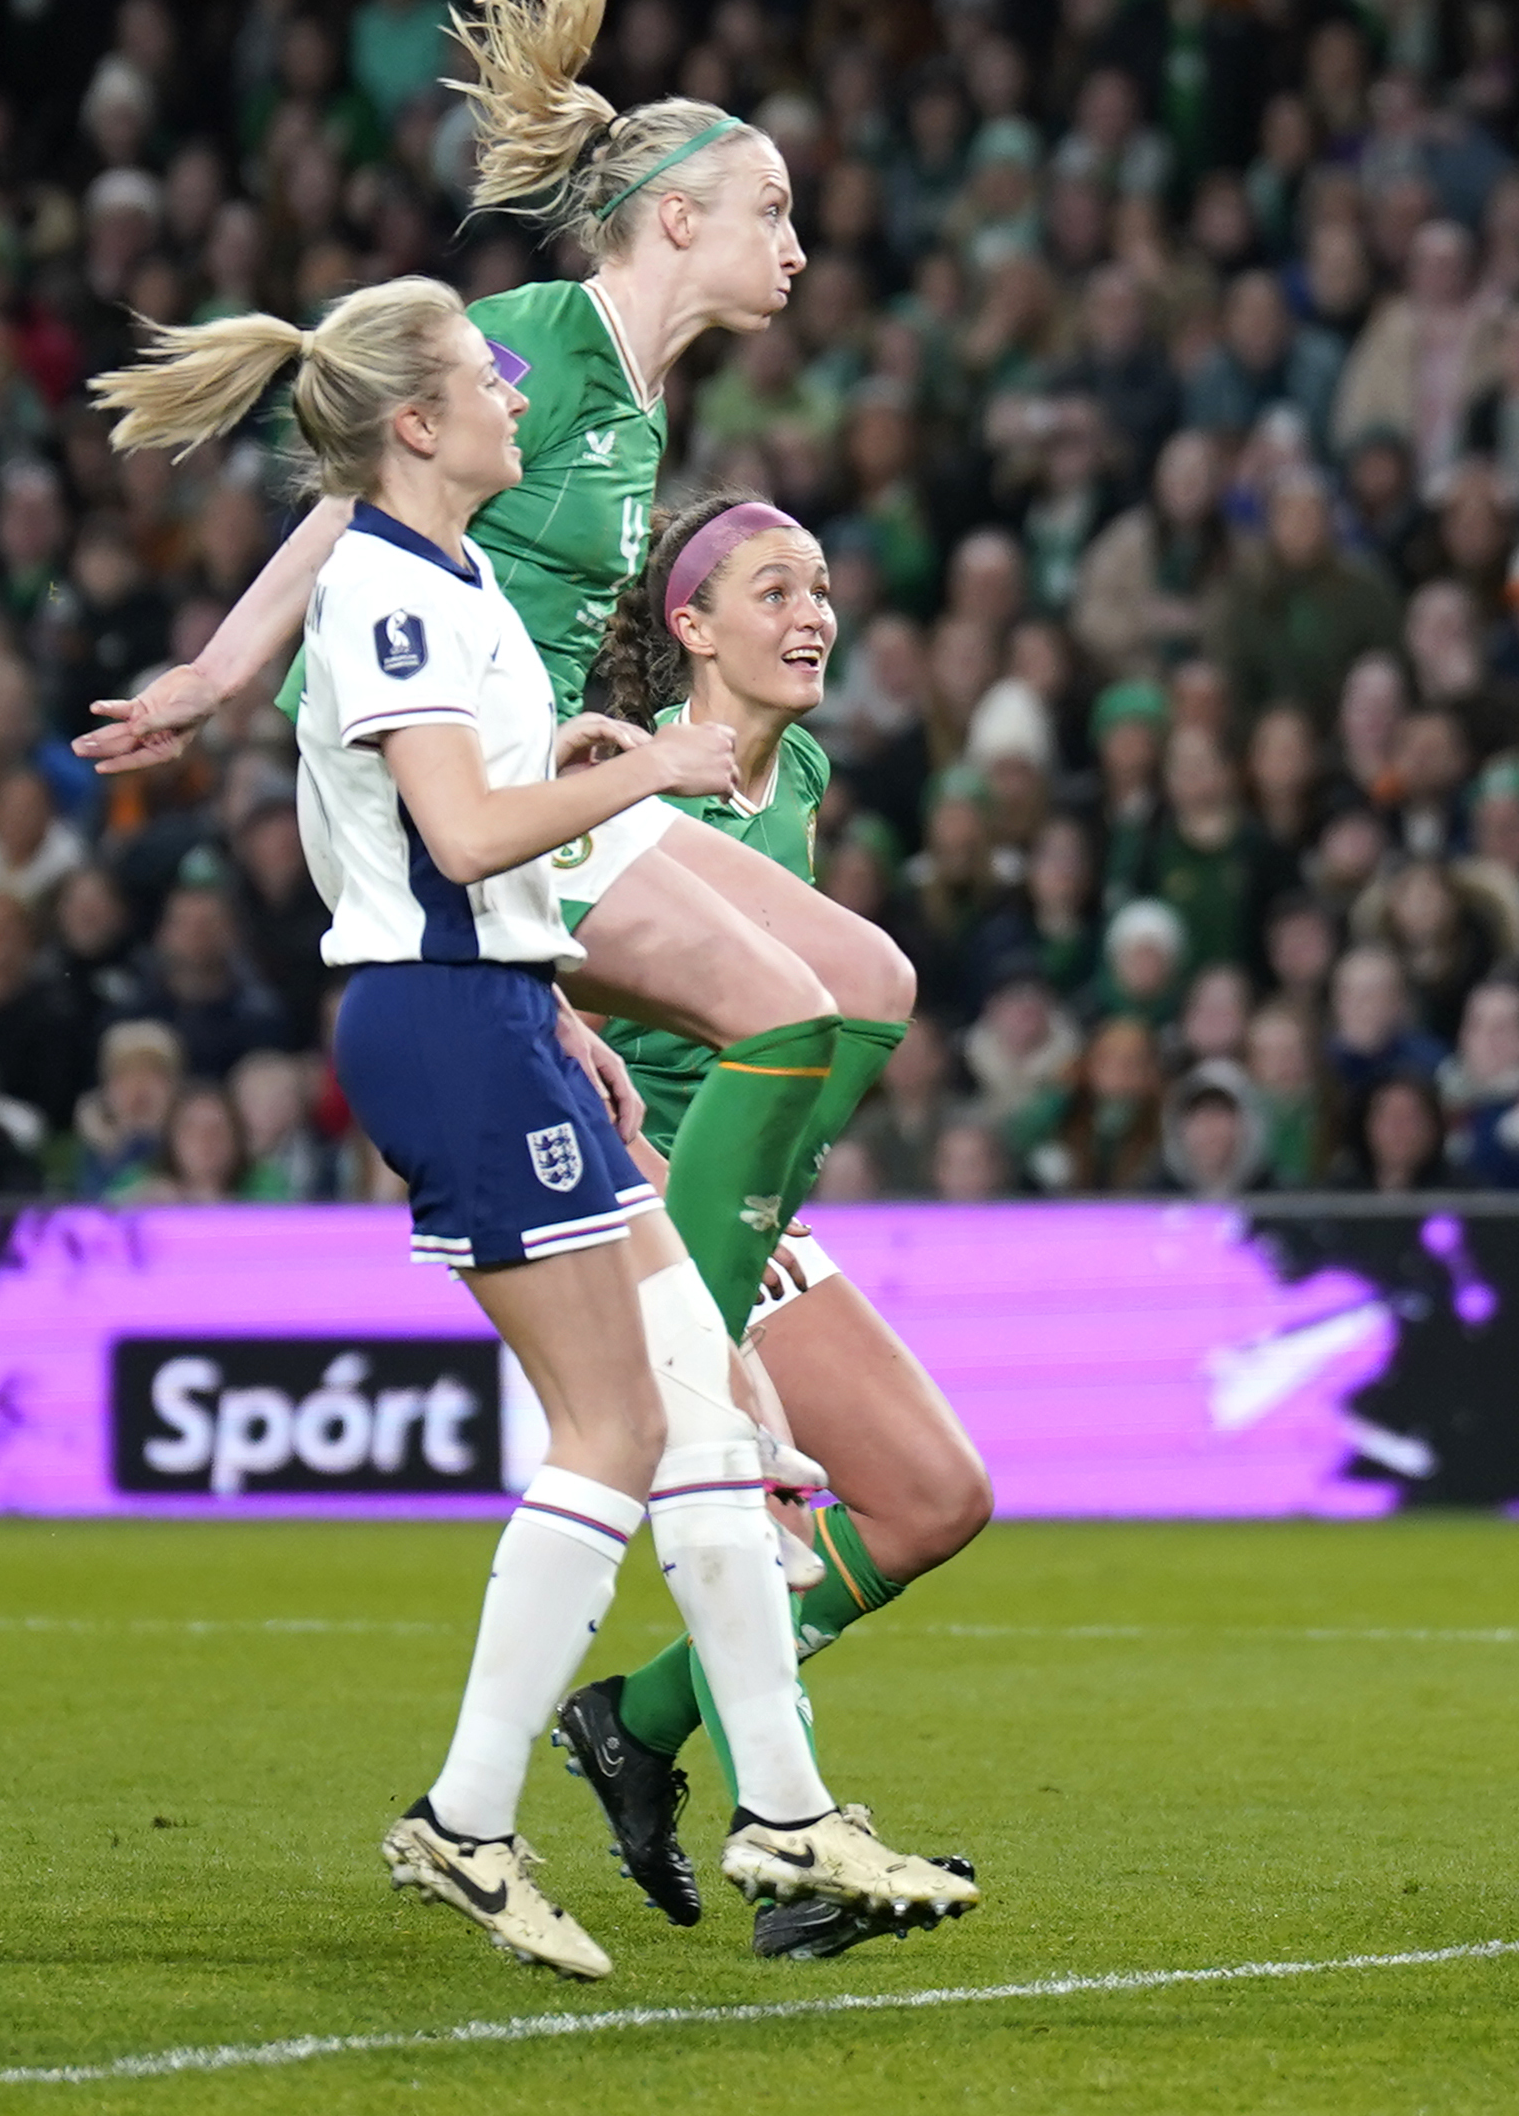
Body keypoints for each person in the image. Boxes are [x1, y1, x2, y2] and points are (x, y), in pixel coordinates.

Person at [88, 281, 974, 1980]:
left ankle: (783, 1805)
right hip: (440, 1023)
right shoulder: (387, 595)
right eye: (484, 382)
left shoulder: (458, 579)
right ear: (416, 428)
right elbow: (467, 829)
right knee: (617, 1425)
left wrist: (567, 906)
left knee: (697, 1404)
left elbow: (480, 825)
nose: (518, 398)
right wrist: (642, 769)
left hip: (499, 1011)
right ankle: (470, 1820)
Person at [74, 0, 914, 1356]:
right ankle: (697, 1349)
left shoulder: (645, 401)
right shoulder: (552, 336)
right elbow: (359, 481)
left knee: (871, 983)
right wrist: (216, 674)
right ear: (674, 218)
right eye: (769, 209)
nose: (798, 241)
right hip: (449, 790)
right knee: (788, 1014)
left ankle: (708, 1247)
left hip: (540, 766)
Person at [555, 493, 997, 1960]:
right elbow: (528, 956)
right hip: (633, 1199)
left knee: (934, 1497)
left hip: (753, 1199)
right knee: (744, 1511)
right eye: (773, 590)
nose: (814, 612)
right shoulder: (613, 783)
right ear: (690, 628)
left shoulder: (794, 769)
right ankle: (797, 1859)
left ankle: (636, 1721)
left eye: (819, 587)